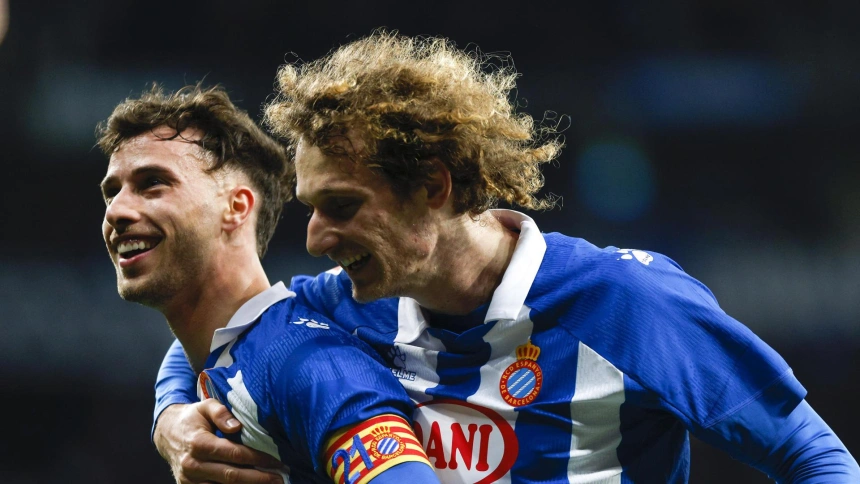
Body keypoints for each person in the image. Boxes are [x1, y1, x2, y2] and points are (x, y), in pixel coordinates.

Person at [153, 33, 860, 482]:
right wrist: (172, 421)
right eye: (309, 206)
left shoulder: (624, 302)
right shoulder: (341, 305)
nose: (315, 237)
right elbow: (220, 327)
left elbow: (816, 460)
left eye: (342, 206)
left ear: (434, 186)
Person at [98, 84, 439, 484]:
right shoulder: (232, 352)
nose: (117, 210)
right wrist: (169, 411)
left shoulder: (304, 362)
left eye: (153, 183)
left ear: (236, 207)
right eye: (111, 192)